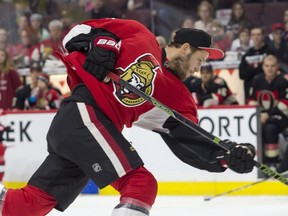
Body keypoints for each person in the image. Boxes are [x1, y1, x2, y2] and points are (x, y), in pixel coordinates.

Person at [0, 18, 256, 216]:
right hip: (83, 113)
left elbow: (188, 142)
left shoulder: (178, 98)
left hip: (86, 130)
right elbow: (74, 35)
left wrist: (225, 155)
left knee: (26, 205)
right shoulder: (139, 34)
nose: (199, 68)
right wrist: (101, 45)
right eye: (199, 59)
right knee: (141, 184)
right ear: (186, 49)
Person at [247, 54, 288, 168]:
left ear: (277, 67)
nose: (270, 69)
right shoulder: (257, 80)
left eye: (273, 66)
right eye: (267, 66)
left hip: (281, 116)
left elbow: (285, 103)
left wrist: (267, 115)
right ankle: (259, 160)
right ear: (263, 66)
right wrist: (259, 113)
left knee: (269, 128)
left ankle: (272, 163)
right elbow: (250, 99)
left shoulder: (284, 81)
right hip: (261, 116)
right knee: (252, 127)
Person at [239, 26, 274, 103]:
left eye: (258, 34)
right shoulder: (247, 54)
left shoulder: (270, 51)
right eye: (254, 35)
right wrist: (258, 70)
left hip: (267, 91)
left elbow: (273, 71)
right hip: (250, 93)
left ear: (263, 36)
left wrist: (252, 71)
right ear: (251, 37)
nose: (256, 37)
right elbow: (242, 74)